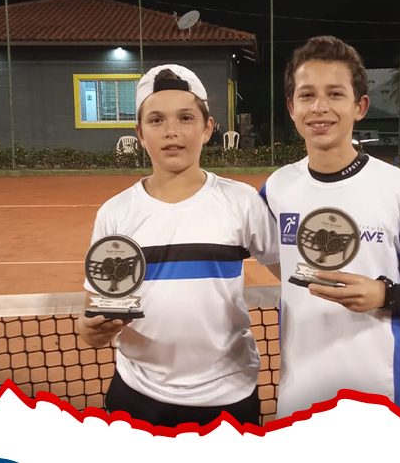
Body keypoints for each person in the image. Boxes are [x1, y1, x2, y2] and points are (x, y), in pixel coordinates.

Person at [76, 64, 280, 427]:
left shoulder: (242, 202)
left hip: (229, 396)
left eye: (185, 118)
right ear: (140, 133)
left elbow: (292, 273)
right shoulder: (115, 213)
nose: (171, 131)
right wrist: (91, 327)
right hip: (138, 394)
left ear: (207, 128)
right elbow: (99, 302)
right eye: (156, 120)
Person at [261, 36, 400, 420]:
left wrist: (384, 294)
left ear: (359, 106)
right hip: (301, 396)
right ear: (292, 107)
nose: (319, 107)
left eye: (335, 94)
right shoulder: (276, 189)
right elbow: (270, 257)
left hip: (385, 396)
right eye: (307, 95)